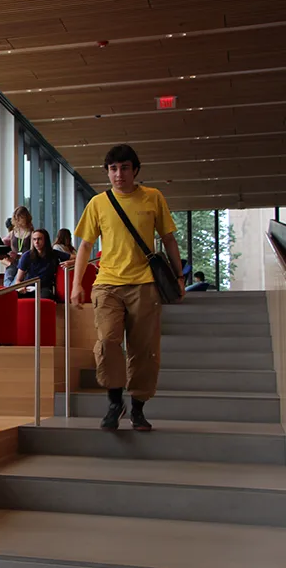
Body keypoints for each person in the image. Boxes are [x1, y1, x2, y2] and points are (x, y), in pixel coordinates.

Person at [72, 144, 184, 432]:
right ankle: (114, 401)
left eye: (124, 168)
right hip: (108, 284)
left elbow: (169, 238)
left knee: (143, 350)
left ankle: (137, 408)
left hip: (145, 284)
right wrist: (76, 285)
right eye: (113, 169)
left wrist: (179, 276)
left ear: (135, 170)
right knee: (108, 342)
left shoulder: (153, 198)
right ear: (107, 172)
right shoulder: (98, 203)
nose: (118, 174)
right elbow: (84, 245)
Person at [15, 229, 70, 300]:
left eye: (39, 239)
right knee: (12, 296)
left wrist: (70, 262)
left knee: (45, 296)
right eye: (34, 239)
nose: (36, 242)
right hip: (29, 288)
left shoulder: (54, 254)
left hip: (45, 288)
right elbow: (18, 280)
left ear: (45, 240)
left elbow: (77, 257)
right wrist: (20, 287)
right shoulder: (26, 256)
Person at [4, 206, 33, 287]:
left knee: (17, 280)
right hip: (13, 262)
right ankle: (10, 291)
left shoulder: (31, 233)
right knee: (8, 278)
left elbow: (32, 251)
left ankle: (12, 291)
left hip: (24, 263)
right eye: (16, 218)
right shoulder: (12, 233)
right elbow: (4, 248)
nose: (18, 220)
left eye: (20, 217)